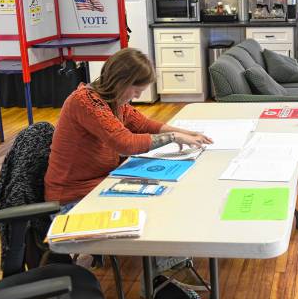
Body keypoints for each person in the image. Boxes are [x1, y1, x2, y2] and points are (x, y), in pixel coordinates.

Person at [45, 48, 212, 206]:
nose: (138, 96)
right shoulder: (86, 102)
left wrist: (187, 133)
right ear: (122, 82)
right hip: (72, 198)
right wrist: (174, 137)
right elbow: (125, 143)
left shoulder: (111, 99)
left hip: (99, 182)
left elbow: (143, 125)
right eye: (136, 90)